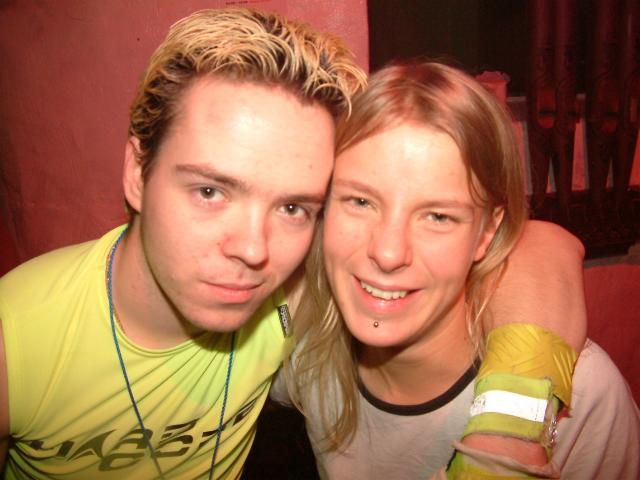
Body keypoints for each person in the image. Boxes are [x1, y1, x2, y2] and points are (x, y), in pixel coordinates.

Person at [0, 8, 587, 480]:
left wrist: (503, 434)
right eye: (210, 190)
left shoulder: (291, 304)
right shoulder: (18, 338)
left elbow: (541, 248)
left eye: (292, 208)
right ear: (137, 171)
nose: (254, 249)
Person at [276, 62, 640, 479]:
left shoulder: (579, 398)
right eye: (360, 201)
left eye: (438, 216)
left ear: (486, 233)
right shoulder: (307, 356)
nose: (389, 253)